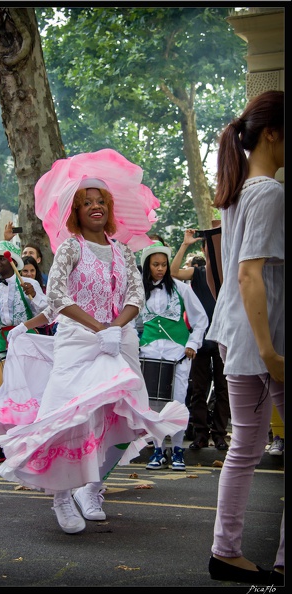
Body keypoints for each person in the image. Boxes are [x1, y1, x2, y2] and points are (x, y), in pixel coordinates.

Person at [0, 148, 189, 535]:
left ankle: (92, 489)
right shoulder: (70, 248)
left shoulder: (122, 251)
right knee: (66, 420)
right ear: (75, 212)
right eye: (86, 203)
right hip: (77, 343)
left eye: (100, 202)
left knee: (115, 420)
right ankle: (61, 496)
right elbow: (58, 298)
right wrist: (93, 329)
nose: (94, 207)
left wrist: (115, 329)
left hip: (120, 343)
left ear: (109, 209)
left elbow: (135, 297)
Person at [204, 90, 284, 586]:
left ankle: (225, 552)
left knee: (244, 449)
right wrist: (272, 352)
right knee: (246, 448)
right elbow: (250, 275)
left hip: (238, 335)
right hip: (267, 338)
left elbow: (235, 273)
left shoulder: (239, 193)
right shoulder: (269, 193)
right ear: (274, 133)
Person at [0, 240, 48, 466]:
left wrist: (34, 295)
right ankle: (4, 448)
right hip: (3, 341)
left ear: (12, 261)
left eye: (0, 258)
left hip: (26, 340)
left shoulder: (28, 282)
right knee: (4, 395)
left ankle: (33, 445)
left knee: (30, 394)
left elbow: (47, 310)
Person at [138, 241, 208, 471]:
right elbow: (130, 323)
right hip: (149, 353)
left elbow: (200, 320)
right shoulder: (138, 292)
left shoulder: (181, 288)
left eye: (163, 264)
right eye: (155, 264)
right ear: (147, 266)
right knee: (153, 404)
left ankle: (178, 449)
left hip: (178, 354)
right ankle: (158, 449)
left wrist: (192, 344)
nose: (160, 268)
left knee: (177, 401)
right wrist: (134, 345)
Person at [170, 229, 230, 451]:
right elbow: (174, 271)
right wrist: (185, 245)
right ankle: (201, 434)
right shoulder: (197, 272)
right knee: (198, 389)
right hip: (200, 338)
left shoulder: (230, 270)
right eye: (210, 246)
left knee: (224, 389)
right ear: (205, 249)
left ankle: (220, 435)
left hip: (225, 337)